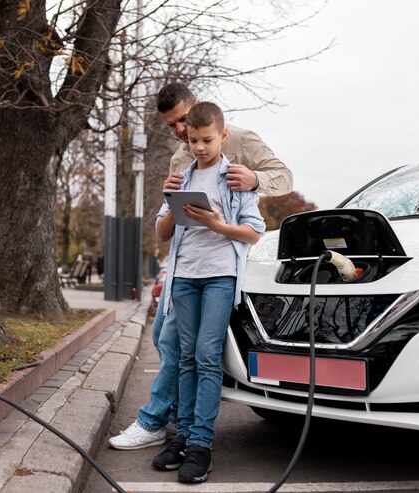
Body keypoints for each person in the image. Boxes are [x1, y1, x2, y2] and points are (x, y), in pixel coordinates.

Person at [108, 83, 292, 453]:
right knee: (165, 337)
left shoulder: (237, 138)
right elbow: (171, 215)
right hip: (185, 265)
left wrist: (255, 181)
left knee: (191, 349)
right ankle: (181, 418)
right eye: (174, 127)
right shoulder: (182, 156)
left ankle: (157, 420)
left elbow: (284, 177)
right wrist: (169, 197)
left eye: (182, 121)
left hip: (223, 262)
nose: (180, 133)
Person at [155, 102, 264, 482]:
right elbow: (162, 233)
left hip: (219, 277)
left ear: (221, 136)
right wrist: (172, 203)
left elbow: (253, 232)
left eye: (206, 140)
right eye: (194, 141)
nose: (199, 147)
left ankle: (201, 444)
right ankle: (182, 437)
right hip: (183, 276)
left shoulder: (235, 179)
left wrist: (218, 225)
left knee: (206, 356)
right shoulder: (181, 177)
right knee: (186, 356)